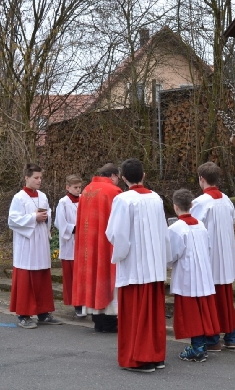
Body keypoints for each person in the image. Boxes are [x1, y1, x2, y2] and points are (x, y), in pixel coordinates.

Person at [106, 158, 170, 373]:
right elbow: (163, 231)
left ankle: (141, 359)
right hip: (154, 264)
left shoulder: (123, 200)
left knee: (135, 315)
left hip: (134, 266)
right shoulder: (156, 198)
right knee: (152, 314)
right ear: (143, 175)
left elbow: (117, 234)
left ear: (123, 178)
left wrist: (118, 256)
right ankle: (156, 355)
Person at [190, 162, 235, 351]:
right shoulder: (226, 200)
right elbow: (233, 220)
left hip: (210, 256)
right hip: (225, 255)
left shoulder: (200, 203)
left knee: (210, 298)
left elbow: (193, 227)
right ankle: (231, 336)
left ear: (202, 179)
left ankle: (212, 338)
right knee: (226, 297)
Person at [8, 163, 63, 329]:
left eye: (40, 178)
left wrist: (46, 218)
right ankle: (23, 315)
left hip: (40, 241)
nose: (39, 181)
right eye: (36, 178)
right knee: (26, 277)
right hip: (27, 243)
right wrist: (33, 218)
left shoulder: (43, 196)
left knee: (41, 277)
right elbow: (13, 220)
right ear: (27, 178)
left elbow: (47, 215)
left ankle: (43, 313)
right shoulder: (19, 198)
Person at [169, 189, 220, 362]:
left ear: (175, 207)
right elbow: (207, 247)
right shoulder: (201, 225)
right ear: (191, 205)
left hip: (187, 275)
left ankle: (197, 348)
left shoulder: (175, 228)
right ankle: (202, 344)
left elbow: (171, 254)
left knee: (191, 312)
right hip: (202, 273)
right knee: (201, 309)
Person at [71, 164, 122, 332]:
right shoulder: (113, 192)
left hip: (88, 244)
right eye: (117, 178)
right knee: (105, 276)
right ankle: (109, 320)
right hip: (105, 244)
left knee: (92, 277)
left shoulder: (86, 190)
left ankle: (97, 319)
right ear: (113, 175)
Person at [53, 174, 83, 316]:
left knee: (82, 276)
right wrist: (74, 228)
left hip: (83, 243)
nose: (78, 190)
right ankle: (76, 305)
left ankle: (83, 302)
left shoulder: (84, 199)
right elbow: (60, 222)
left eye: (79, 187)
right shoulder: (63, 202)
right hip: (70, 243)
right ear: (67, 187)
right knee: (72, 276)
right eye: (75, 187)